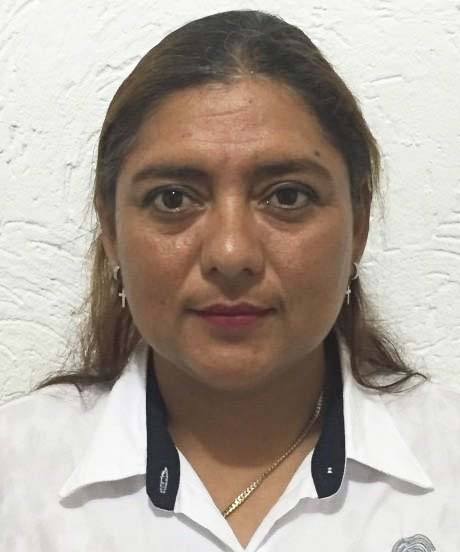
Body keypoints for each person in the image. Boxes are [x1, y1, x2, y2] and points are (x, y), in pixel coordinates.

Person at [1, 9, 459, 551]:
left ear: (358, 225)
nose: (231, 253)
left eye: (287, 195)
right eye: (173, 198)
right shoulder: (18, 476)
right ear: (111, 231)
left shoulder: (445, 461)